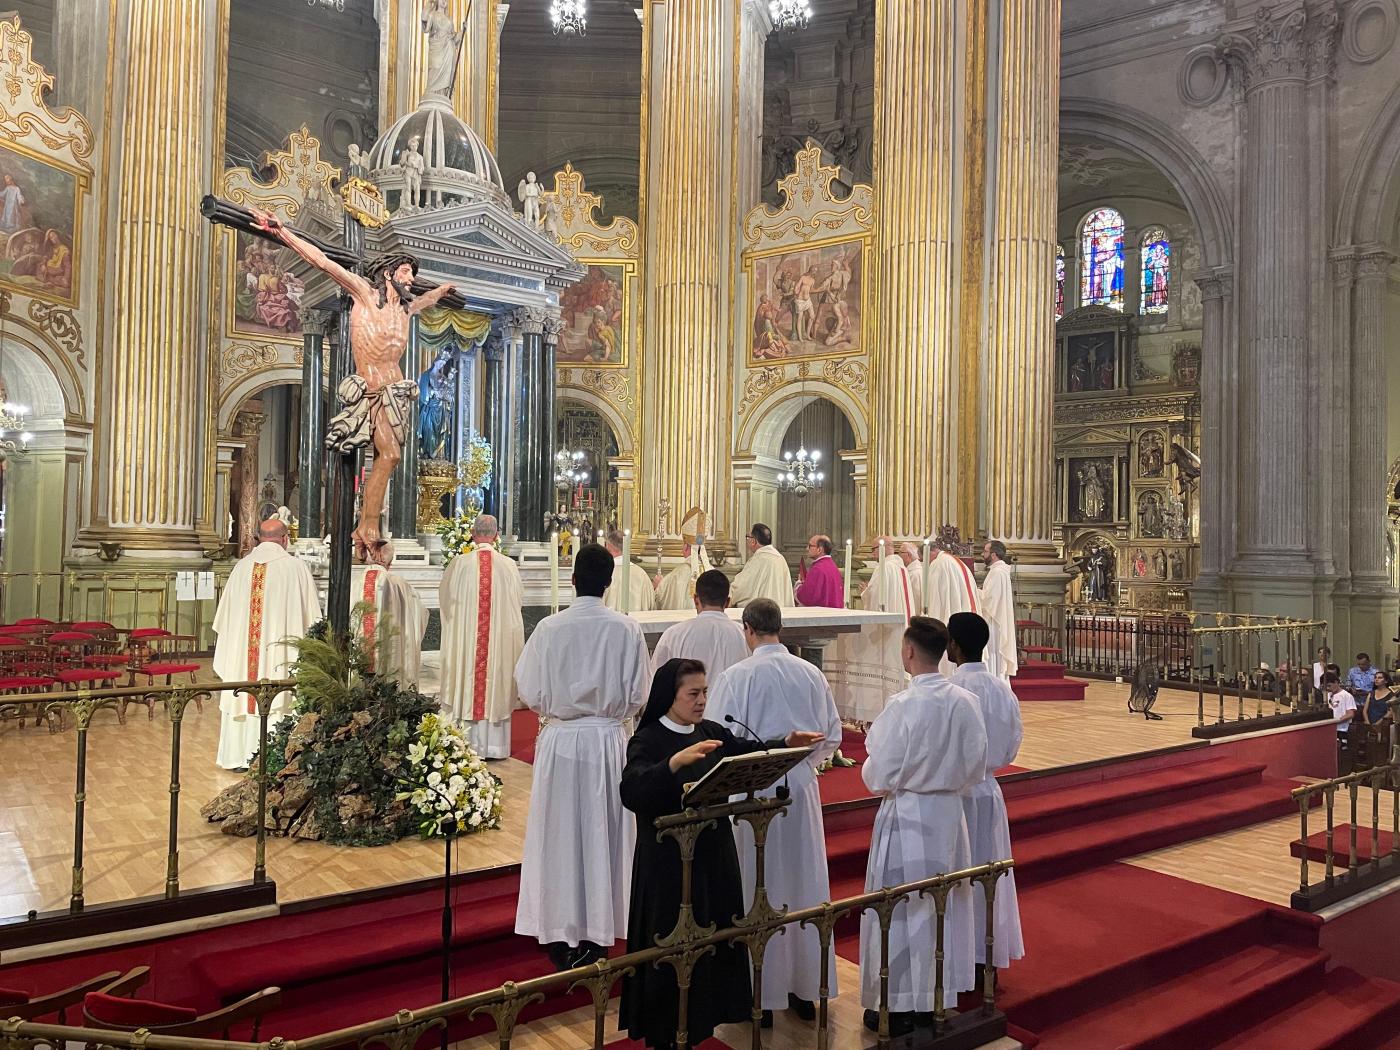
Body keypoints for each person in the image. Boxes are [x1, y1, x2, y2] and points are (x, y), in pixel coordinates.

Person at [618, 659, 826, 1047]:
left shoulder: (711, 731)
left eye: (705, 692)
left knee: (713, 944)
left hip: (713, 855)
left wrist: (784, 744)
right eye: (693, 694)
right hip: (669, 864)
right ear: (669, 696)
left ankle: (704, 1019)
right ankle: (668, 1029)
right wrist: (674, 764)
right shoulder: (647, 740)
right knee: (673, 948)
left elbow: (747, 752)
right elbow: (632, 791)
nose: (702, 701)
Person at [250, 211, 457, 557]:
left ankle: (367, 524)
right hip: (369, 390)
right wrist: (282, 232)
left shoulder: (405, 310)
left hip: (396, 394)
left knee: (390, 456)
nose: (410, 278)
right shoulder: (363, 293)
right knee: (386, 455)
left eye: (412, 274)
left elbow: (428, 299)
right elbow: (324, 262)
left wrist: (443, 290)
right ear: (387, 273)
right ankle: (366, 525)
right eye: (405, 272)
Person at [514, 544, 650, 970]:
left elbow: (528, 689)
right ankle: (602, 928)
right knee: (604, 832)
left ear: (573, 580)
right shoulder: (626, 629)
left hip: (562, 741)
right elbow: (639, 694)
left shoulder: (549, 629)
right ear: (609, 583)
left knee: (561, 834)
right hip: (608, 742)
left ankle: (560, 930)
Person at [708, 600, 843, 1026]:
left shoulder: (736, 676)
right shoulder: (811, 673)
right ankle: (803, 988)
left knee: (755, 886)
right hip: (799, 788)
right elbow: (832, 736)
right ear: (779, 629)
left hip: (750, 791)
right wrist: (802, 759)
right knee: (802, 884)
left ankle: (758, 993)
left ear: (748, 630)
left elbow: (717, 740)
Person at [859, 616, 988, 1036]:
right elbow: (976, 766)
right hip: (950, 817)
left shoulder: (902, 706)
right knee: (940, 907)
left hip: (909, 816)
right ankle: (936, 996)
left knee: (899, 909)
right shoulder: (965, 701)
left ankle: (895, 1003)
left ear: (909, 652)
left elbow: (878, 776)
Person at [946, 612, 1024, 974]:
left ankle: (959, 949)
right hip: (989, 790)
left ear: (954, 646)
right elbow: (1011, 745)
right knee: (988, 870)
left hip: (956, 794)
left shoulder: (952, 691)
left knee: (960, 874)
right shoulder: (1001, 689)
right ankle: (985, 949)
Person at [212, 519, 322, 770]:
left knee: (243, 690)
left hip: (242, 662)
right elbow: (313, 621)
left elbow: (222, 621)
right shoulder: (295, 568)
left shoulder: (240, 567)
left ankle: (237, 757)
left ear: (258, 538)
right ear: (285, 538)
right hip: (277, 662)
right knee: (277, 696)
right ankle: (274, 758)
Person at [440, 514, 524, 759]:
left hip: (468, 646)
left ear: (473, 534)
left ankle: (464, 743)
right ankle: (495, 747)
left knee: (466, 677)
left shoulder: (459, 564)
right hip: (496, 644)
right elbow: (516, 603)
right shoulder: (508, 566)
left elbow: (446, 603)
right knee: (494, 680)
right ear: (496, 536)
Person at [353, 540, 427, 689]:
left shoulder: (353, 584)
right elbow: (419, 616)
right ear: (389, 562)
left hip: (358, 658)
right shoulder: (400, 585)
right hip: (391, 661)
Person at [650, 569, 748, 679]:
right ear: (728, 602)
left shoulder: (674, 635)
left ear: (696, 599)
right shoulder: (745, 636)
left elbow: (656, 681)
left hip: (687, 696)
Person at [925, 546, 980, 674]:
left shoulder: (938, 564)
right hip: (964, 615)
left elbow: (934, 598)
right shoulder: (957, 561)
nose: (927, 564)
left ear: (931, 553)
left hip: (949, 617)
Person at [654, 507, 714, 611]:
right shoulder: (713, 574)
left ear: (685, 546)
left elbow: (661, 599)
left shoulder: (677, 574)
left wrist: (659, 585)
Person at [979, 540, 1019, 681]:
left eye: (985, 551)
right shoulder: (999, 571)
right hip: (995, 619)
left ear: (994, 554)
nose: (983, 554)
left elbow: (990, 600)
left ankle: (995, 683)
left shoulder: (997, 573)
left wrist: (973, 591)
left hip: (994, 622)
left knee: (993, 653)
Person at [730, 523, 795, 607]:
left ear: (753, 541)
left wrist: (730, 595)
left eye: (747, 537)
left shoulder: (758, 560)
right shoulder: (780, 559)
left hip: (761, 613)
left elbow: (741, 588)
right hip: (778, 612)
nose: (747, 540)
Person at [603, 529, 657, 613]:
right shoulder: (642, 574)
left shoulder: (603, 573)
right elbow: (651, 605)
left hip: (609, 625)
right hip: (636, 625)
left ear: (609, 547)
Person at [795, 534, 844, 608]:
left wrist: (799, 584)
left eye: (810, 546)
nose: (807, 549)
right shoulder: (833, 566)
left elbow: (806, 597)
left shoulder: (818, 569)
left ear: (819, 550)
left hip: (820, 615)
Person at [899, 542, 924, 617]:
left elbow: (915, 601)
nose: (898, 555)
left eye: (900, 552)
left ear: (908, 555)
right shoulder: (912, 571)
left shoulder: (914, 574)